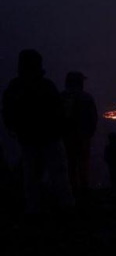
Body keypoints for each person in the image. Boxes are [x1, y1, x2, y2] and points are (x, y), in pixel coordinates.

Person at [2, 49, 74, 216]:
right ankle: (66, 208)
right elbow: (59, 112)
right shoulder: (46, 85)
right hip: (50, 138)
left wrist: (14, 128)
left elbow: (8, 112)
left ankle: (34, 210)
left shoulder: (15, 87)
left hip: (28, 138)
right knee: (58, 174)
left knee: (31, 176)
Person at [61, 71, 98, 194]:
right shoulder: (86, 97)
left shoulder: (60, 97)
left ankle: (71, 188)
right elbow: (93, 117)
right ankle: (84, 188)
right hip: (83, 136)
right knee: (83, 161)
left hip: (65, 136)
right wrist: (90, 132)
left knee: (69, 162)